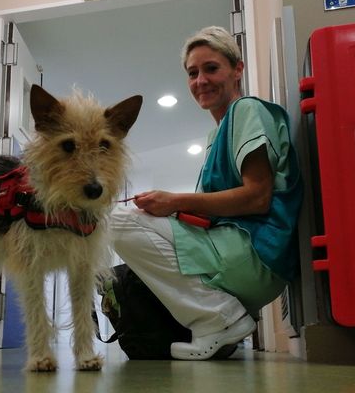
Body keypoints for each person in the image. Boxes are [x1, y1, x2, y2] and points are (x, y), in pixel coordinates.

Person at [110, 26, 303, 360]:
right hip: (244, 255)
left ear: (237, 69)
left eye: (211, 68)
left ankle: (218, 319)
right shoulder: (216, 136)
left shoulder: (247, 111)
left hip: (258, 255)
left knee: (116, 221)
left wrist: (176, 200)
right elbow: (216, 211)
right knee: (135, 220)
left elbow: (257, 197)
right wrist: (168, 209)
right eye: (193, 73)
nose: (201, 80)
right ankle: (218, 320)